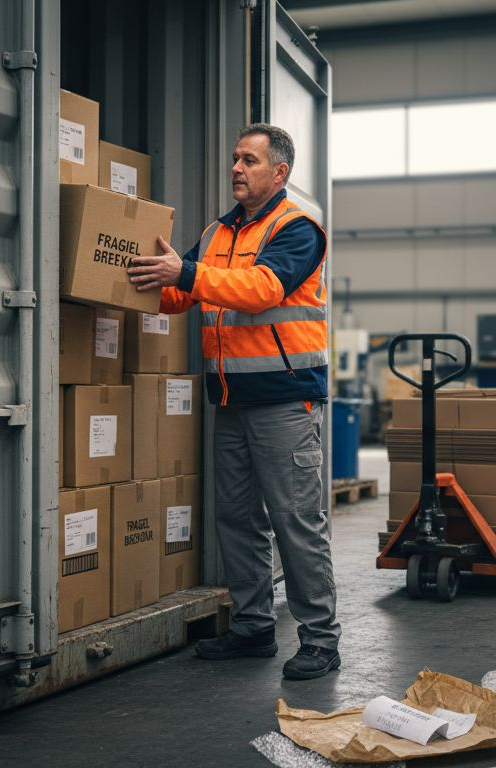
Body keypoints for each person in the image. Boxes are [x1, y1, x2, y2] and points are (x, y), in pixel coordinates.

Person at [127, 123, 340, 680]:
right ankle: (252, 629)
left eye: (249, 160)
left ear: (280, 172)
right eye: (235, 159)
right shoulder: (219, 232)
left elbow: (263, 290)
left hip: (284, 402)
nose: (237, 169)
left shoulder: (298, 230)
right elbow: (181, 292)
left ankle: (321, 638)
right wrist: (135, 279)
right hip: (230, 397)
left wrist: (189, 273)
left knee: (297, 521)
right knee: (238, 522)